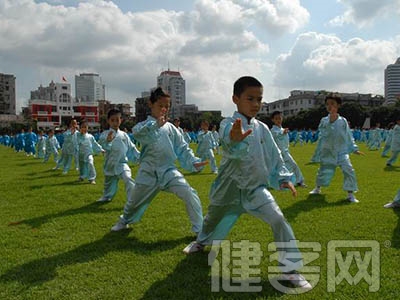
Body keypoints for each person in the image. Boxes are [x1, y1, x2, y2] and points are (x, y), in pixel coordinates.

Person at [182, 76, 312, 290]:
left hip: (255, 189)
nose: (255, 104)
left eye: (259, 99)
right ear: (235, 99)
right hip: (229, 188)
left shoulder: (262, 128)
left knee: (278, 219)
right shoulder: (227, 124)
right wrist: (234, 138)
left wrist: (284, 177)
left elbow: (275, 154)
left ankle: (290, 270)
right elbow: (227, 139)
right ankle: (201, 242)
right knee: (212, 218)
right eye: (250, 98)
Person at [110, 87, 208, 234]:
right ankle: (124, 220)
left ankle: (200, 229)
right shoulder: (143, 125)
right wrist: (156, 125)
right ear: (151, 104)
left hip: (168, 171)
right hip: (147, 172)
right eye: (160, 106)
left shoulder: (171, 128)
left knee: (189, 193)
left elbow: (182, 147)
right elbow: (138, 134)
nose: (164, 109)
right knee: (133, 202)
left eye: (167, 107)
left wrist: (194, 161)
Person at [309, 94, 363, 203]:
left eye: (332, 104)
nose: (329, 106)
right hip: (328, 151)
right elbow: (323, 133)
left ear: (338, 105)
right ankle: (318, 188)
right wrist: (330, 122)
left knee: (349, 169)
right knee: (324, 171)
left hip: (342, 151)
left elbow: (348, 135)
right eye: (327, 104)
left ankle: (350, 194)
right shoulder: (324, 120)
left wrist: (354, 148)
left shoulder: (343, 121)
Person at [96, 109, 140, 202]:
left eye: (117, 120)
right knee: (109, 184)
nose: (115, 122)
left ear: (121, 120)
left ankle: (131, 200)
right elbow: (103, 147)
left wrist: (140, 157)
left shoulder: (124, 135)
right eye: (112, 120)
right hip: (110, 164)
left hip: (122, 163)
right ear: (108, 121)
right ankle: (107, 196)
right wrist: (108, 141)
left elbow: (132, 148)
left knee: (128, 179)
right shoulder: (104, 134)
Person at [270, 111, 306, 187]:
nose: (278, 120)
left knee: (291, 166)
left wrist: (283, 132)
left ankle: (297, 181)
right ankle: (299, 181)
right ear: (272, 120)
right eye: (276, 119)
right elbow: (276, 135)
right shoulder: (273, 130)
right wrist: (282, 133)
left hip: (285, 152)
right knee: (290, 166)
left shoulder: (282, 129)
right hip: (278, 153)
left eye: (279, 118)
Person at [77, 120, 104, 184]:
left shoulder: (90, 136)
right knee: (82, 166)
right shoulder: (77, 136)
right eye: (82, 127)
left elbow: (95, 144)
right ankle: (82, 176)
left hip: (89, 154)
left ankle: (92, 178)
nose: (84, 129)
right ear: (80, 128)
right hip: (81, 154)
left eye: (85, 127)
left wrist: (101, 149)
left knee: (90, 163)